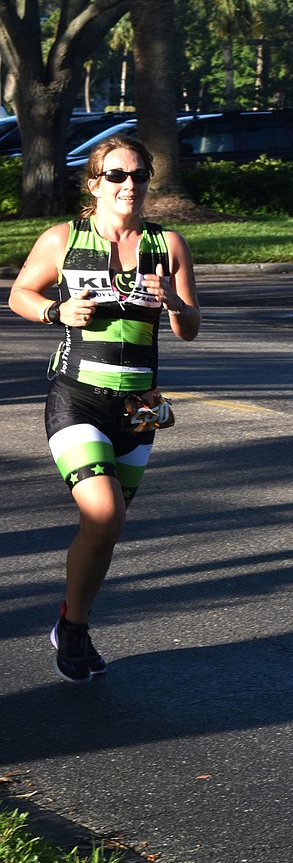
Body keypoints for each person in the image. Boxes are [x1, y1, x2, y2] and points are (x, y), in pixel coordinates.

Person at [9, 134, 201, 683]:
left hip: (139, 406)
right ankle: (73, 629)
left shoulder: (168, 245)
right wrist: (56, 311)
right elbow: (21, 293)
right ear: (94, 183)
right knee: (104, 513)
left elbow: (190, 329)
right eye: (117, 175)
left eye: (139, 176)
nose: (129, 186)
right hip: (76, 395)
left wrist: (174, 303)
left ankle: (74, 623)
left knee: (107, 529)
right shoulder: (64, 238)